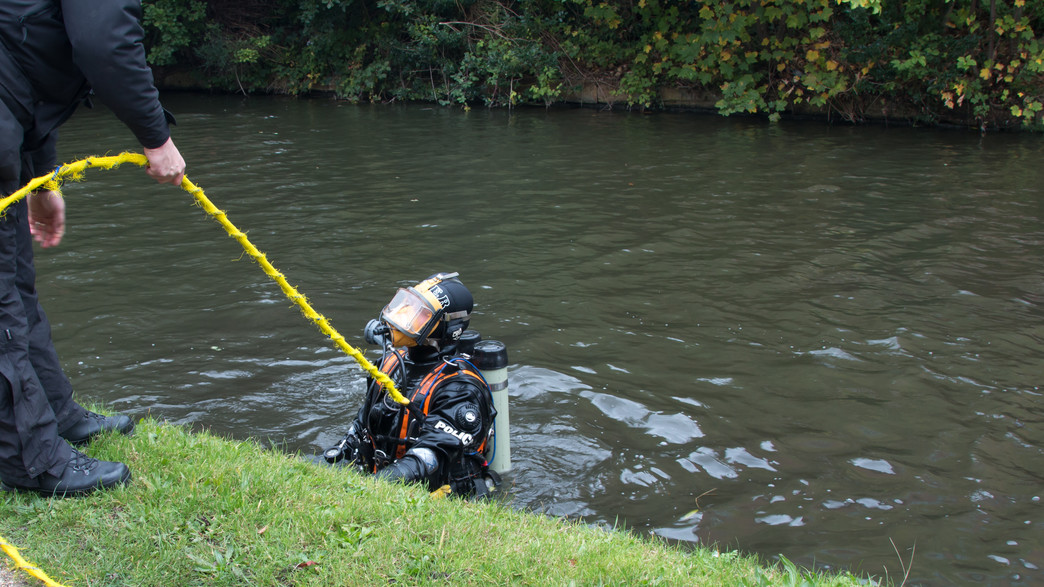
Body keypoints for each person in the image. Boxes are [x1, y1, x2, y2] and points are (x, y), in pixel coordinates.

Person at [0, 0, 187, 497]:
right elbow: (103, 41)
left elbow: (22, 52)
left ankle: (54, 412)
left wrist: (43, 182)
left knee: (14, 280)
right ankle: (32, 459)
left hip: (12, 116)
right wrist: (156, 136)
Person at [324, 272, 499, 498]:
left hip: (441, 493)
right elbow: (361, 428)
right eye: (407, 305)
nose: (403, 316)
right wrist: (332, 460)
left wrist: (370, 490)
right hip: (386, 478)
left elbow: (428, 457)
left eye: (420, 314)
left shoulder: (460, 388)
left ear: (444, 328)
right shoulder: (390, 363)